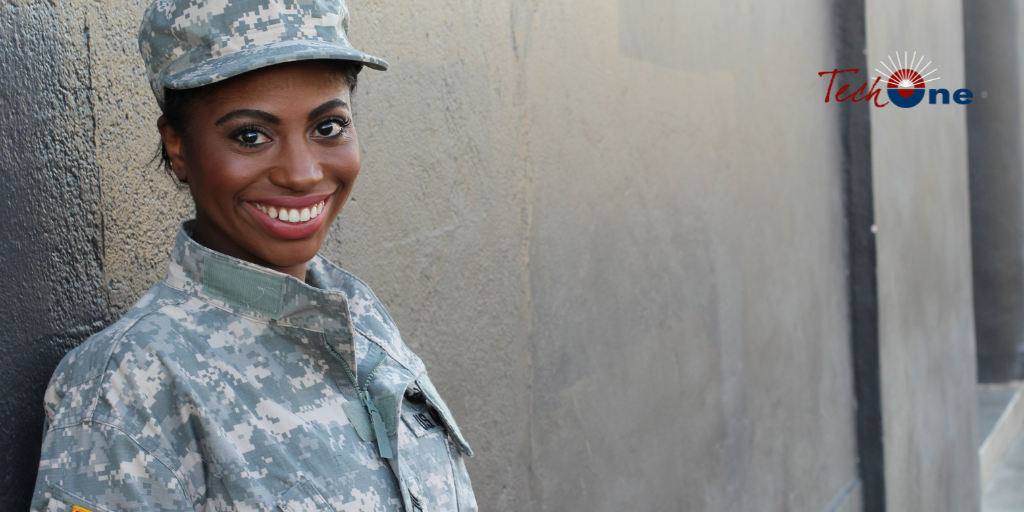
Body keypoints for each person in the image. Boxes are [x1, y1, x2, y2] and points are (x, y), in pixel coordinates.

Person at [29, 0, 477, 510]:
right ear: (177, 147)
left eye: (328, 127)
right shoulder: (130, 384)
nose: (302, 173)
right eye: (251, 136)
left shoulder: (360, 325)